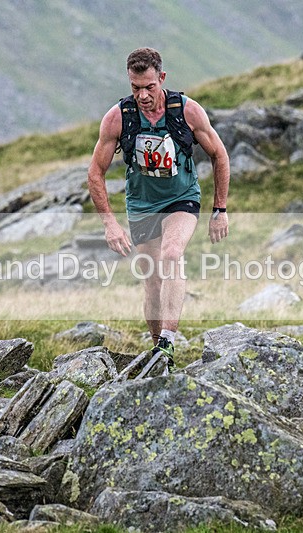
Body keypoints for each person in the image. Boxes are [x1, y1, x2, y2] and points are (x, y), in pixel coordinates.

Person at [87, 47, 230, 371]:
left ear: (161, 79)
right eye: (136, 88)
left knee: (172, 254)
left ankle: (167, 338)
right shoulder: (117, 118)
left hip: (181, 198)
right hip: (142, 205)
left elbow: (219, 155)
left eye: (149, 87)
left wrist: (219, 208)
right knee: (152, 280)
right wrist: (110, 224)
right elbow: (95, 172)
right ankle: (159, 357)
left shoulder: (187, 111)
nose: (143, 95)